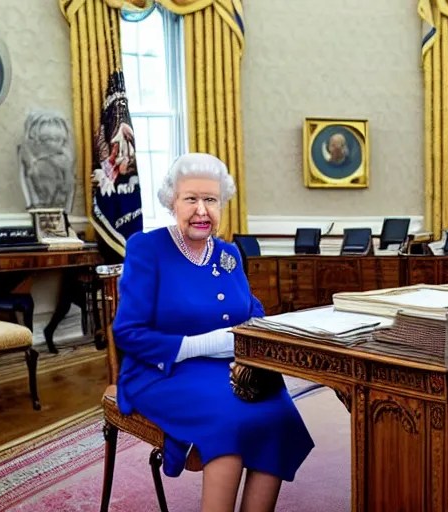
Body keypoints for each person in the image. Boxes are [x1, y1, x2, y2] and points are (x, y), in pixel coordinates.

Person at [112, 153, 314, 512]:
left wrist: (257, 337)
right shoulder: (148, 249)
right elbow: (127, 332)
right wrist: (199, 344)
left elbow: (252, 310)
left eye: (211, 200)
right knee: (228, 421)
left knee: (280, 415)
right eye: (191, 199)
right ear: (171, 202)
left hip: (230, 368)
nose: (202, 211)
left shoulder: (229, 254)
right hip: (161, 372)